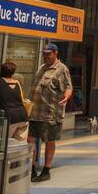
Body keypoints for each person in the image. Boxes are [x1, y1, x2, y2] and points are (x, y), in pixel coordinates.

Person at [29, 43, 73, 182]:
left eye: (48, 53)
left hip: (50, 113)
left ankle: (46, 170)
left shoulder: (61, 69)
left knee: (49, 141)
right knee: (30, 141)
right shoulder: (42, 68)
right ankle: (31, 168)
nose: (45, 56)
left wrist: (66, 96)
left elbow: (68, 86)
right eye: (44, 53)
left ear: (56, 53)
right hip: (35, 112)